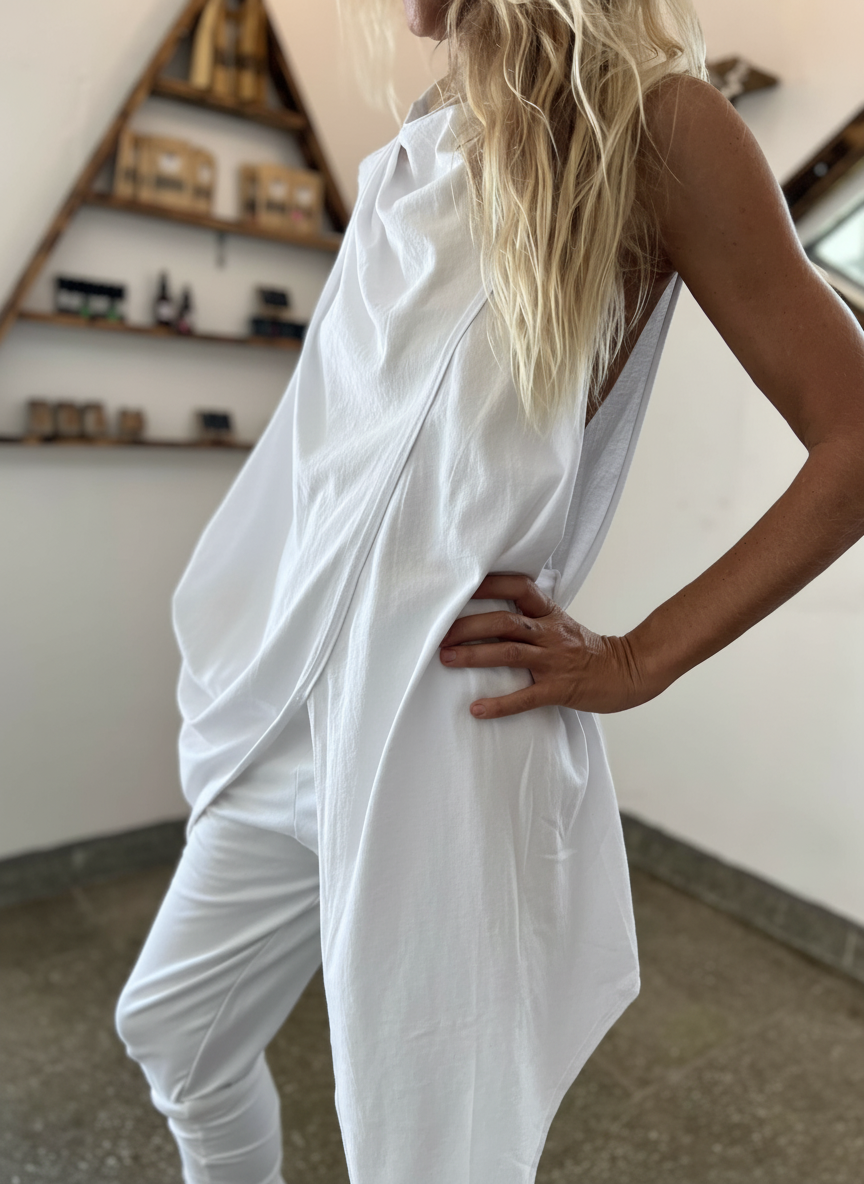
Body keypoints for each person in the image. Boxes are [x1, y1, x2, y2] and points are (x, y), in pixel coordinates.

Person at [115, 1, 864, 1182]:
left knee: (433, 1150)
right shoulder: (414, 150)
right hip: (295, 702)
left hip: (445, 724)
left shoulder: (659, 129)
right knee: (173, 1029)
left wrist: (638, 656)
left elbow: (854, 434)